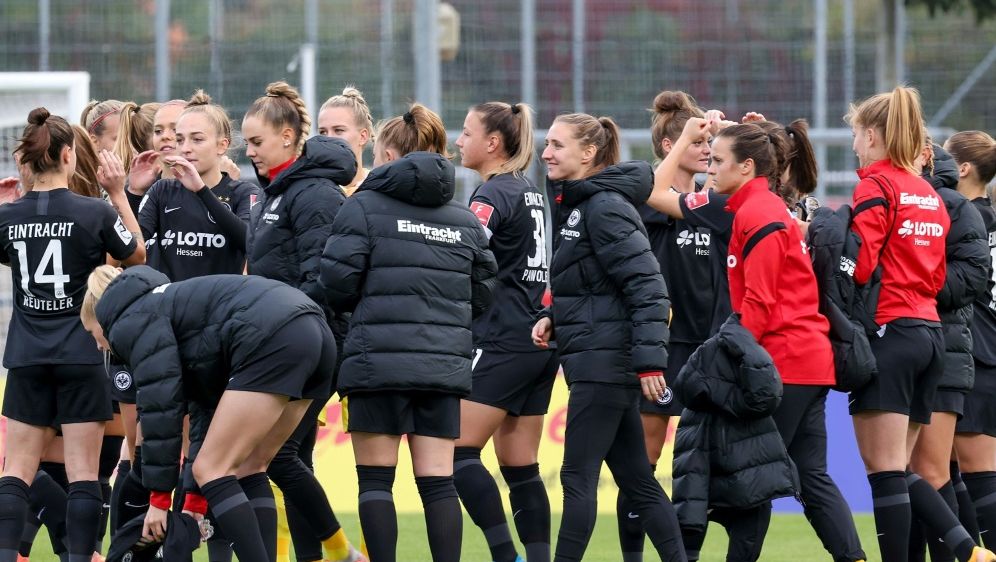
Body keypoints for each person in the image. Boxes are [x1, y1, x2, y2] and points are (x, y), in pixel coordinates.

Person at [320, 102, 498, 562]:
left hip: (375, 363)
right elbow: (483, 295)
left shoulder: (362, 207)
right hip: (442, 366)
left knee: (376, 481)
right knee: (439, 482)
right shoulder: (463, 219)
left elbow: (335, 287)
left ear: (387, 156)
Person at [79, 264, 337, 562]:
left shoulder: (129, 323)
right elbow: (203, 413)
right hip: (314, 331)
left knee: (212, 470)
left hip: (273, 336)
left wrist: (160, 502)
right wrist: (193, 502)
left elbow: (160, 412)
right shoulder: (167, 304)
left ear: (101, 317)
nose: (98, 345)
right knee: (252, 465)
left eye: (92, 333)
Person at [697, 119, 864, 561]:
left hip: (786, 363)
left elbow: (761, 302)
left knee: (752, 479)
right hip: (807, 364)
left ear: (747, 167)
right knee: (811, 479)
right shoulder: (758, 210)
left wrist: (723, 355)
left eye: (717, 161)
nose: (709, 170)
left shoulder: (760, 213)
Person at [846, 86, 994, 562]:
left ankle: (963, 549)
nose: (852, 145)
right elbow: (935, 273)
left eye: (854, 134)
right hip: (931, 333)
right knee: (908, 468)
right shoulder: (928, 194)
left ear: (872, 134)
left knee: (885, 470)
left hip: (892, 331)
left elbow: (861, 263)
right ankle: (964, 548)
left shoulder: (877, 183)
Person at [531, 112, 685, 562]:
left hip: (605, 365)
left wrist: (649, 363)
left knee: (577, 477)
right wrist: (552, 314)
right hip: (598, 361)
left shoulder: (605, 208)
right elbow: (594, 284)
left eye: (558, 145)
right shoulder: (581, 204)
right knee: (638, 480)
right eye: (548, 144)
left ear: (588, 153)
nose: (546, 153)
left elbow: (650, 289)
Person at [0, 107, 144, 562]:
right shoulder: (94, 211)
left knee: (18, 468)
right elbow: (136, 255)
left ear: (27, 161)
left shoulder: (8, 216)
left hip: (26, 354)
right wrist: (119, 194)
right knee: (84, 471)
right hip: (81, 353)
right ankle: (81, 557)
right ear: (68, 156)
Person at [243, 81, 362, 562]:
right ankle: (321, 555)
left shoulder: (313, 192)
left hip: (310, 341)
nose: (249, 152)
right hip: (288, 340)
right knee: (293, 457)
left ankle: (341, 552)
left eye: (257, 142)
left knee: (275, 456)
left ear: (289, 137)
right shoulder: (277, 191)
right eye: (246, 143)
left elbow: (326, 277)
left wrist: (278, 318)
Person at [617, 91, 728, 562]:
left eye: (709, 143)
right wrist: (688, 132)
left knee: (705, 467)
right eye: (695, 141)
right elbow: (650, 197)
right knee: (644, 463)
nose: (705, 150)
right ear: (668, 145)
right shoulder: (648, 198)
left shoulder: (713, 200)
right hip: (663, 347)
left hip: (714, 348)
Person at [451, 101, 556, 562]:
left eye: (467, 132)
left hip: (502, 338)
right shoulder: (530, 191)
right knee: (521, 467)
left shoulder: (490, 196)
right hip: (537, 340)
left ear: (492, 144)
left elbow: (462, 259)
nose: (458, 140)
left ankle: (504, 557)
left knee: (454, 454)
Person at [908, 139, 989, 562]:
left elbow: (972, 278)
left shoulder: (954, 207)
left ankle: (970, 554)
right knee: (926, 473)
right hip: (926, 351)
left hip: (950, 352)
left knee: (930, 472)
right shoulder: (895, 197)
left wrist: (913, 284)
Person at [137, 90, 259, 281]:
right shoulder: (162, 190)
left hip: (219, 306)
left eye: (197, 139)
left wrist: (202, 191)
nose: (185, 148)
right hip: (169, 306)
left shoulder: (243, 193)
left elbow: (250, 243)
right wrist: (131, 192)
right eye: (180, 139)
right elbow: (130, 250)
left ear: (222, 145)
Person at [947, 131, 996, 548]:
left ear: (962, 168)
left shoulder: (965, 219)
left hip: (976, 353)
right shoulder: (989, 217)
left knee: (978, 473)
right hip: (985, 350)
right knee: (939, 472)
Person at [318, 86, 374, 193]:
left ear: (363, 136)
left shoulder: (379, 188)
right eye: (323, 132)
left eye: (338, 130)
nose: (328, 138)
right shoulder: (309, 190)